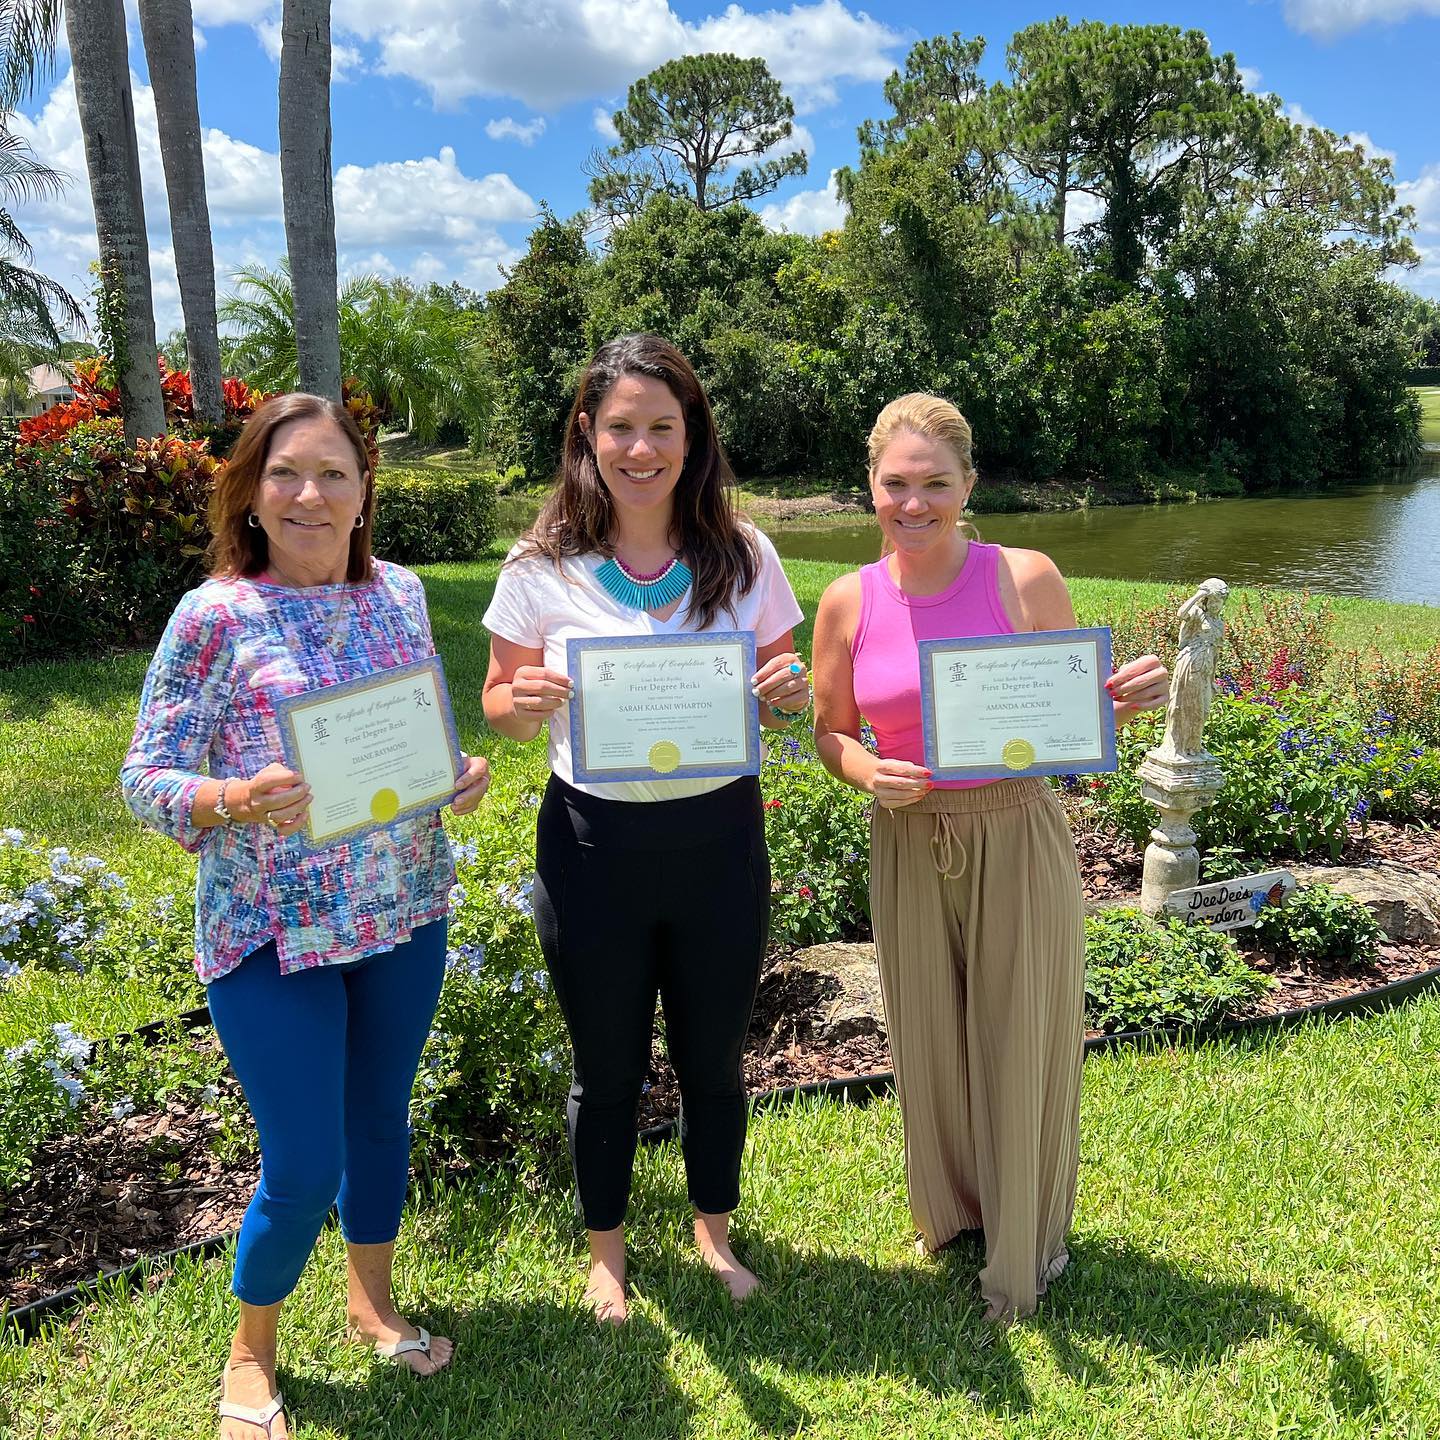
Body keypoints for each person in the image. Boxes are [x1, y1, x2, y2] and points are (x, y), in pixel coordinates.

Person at [121, 393, 490, 1440]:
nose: (310, 493)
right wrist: (232, 797)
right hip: (271, 932)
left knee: (380, 1123)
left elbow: (415, 738)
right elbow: (145, 777)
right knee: (302, 1162)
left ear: (366, 489)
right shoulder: (215, 615)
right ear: (251, 491)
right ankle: (251, 1350)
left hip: (403, 909)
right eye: (285, 472)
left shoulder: (404, 596)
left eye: (333, 472)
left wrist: (455, 774)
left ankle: (372, 1304)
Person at [811, 393, 1168, 1322]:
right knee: (930, 1032)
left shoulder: (1024, 576)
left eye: (936, 483)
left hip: (1016, 831)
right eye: (896, 484)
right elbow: (830, 733)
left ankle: (1028, 1241)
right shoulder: (848, 598)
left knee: (1022, 1034)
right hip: (907, 835)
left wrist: (1118, 703)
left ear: (970, 486)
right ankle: (958, 1210)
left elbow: (1070, 709)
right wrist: (864, 773)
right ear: (872, 487)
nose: (914, 503)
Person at [482, 334, 809, 1323]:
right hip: (593, 846)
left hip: (718, 841)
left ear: (691, 435)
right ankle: (607, 1252)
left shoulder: (745, 554)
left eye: (661, 427)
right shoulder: (541, 566)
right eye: (620, 426)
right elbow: (498, 701)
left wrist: (787, 691)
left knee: (714, 1057)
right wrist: (522, 700)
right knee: (608, 1064)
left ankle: (713, 1228)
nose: (640, 448)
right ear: (588, 432)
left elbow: (785, 686)